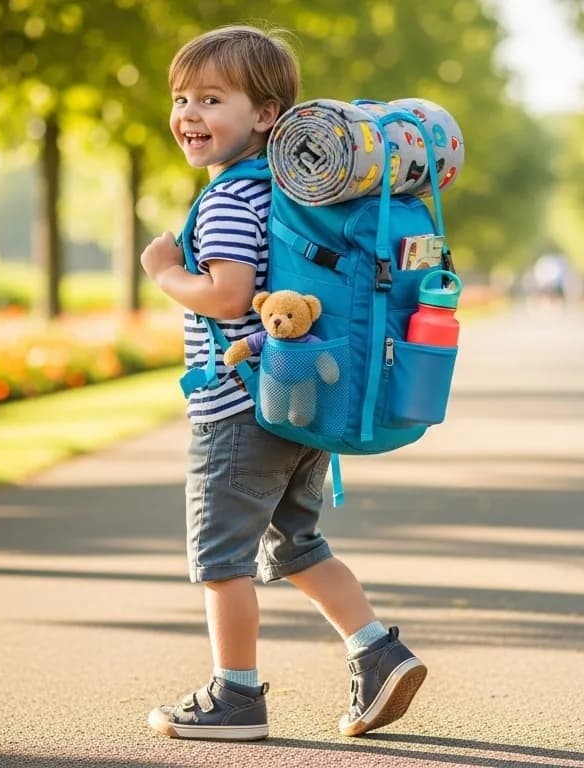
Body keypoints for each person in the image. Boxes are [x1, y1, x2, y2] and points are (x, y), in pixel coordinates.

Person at [138, 25, 427, 742]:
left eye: (211, 98)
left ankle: (235, 696)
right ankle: (377, 649)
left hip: (236, 409)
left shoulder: (231, 202)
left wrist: (165, 274)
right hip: (294, 401)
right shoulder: (285, 191)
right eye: (181, 98)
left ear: (266, 116)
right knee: (296, 544)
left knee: (220, 559)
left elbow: (230, 297)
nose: (189, 115)